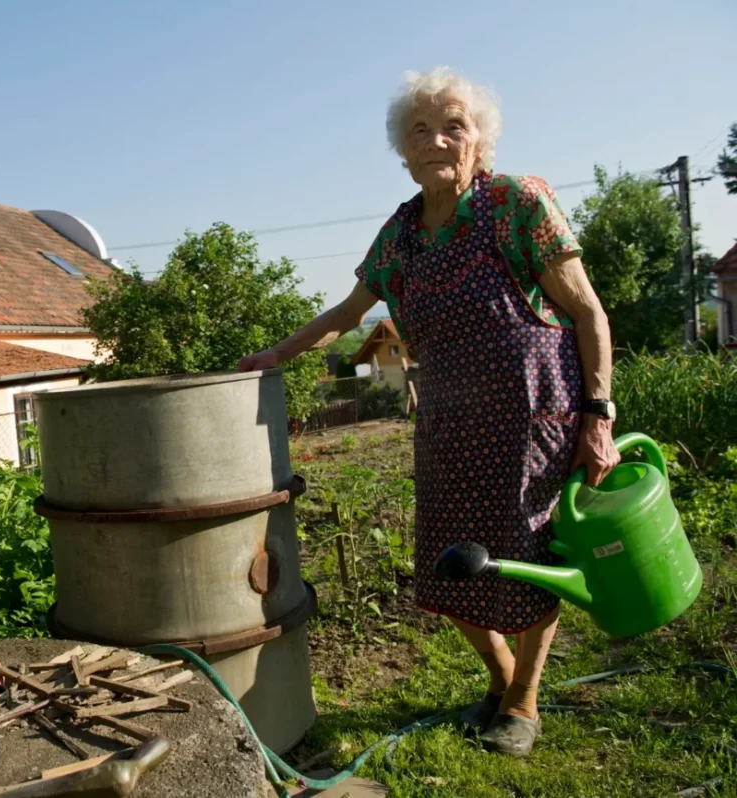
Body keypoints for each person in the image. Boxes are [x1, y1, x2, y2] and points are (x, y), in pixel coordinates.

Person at [239, 67, 620, 757]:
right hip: (450, 426)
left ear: (480, 141)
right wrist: (276, 354)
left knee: (529, 558)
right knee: (445, 564)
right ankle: (502, 679)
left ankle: (524, 703)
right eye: (421, 131)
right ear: (404, 152)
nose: (438, 140)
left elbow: (589, 312)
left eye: (455, 126)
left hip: (536, 419)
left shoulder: (516, 203)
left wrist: (599, 415)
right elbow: (350, 315)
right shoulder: (403, 233)